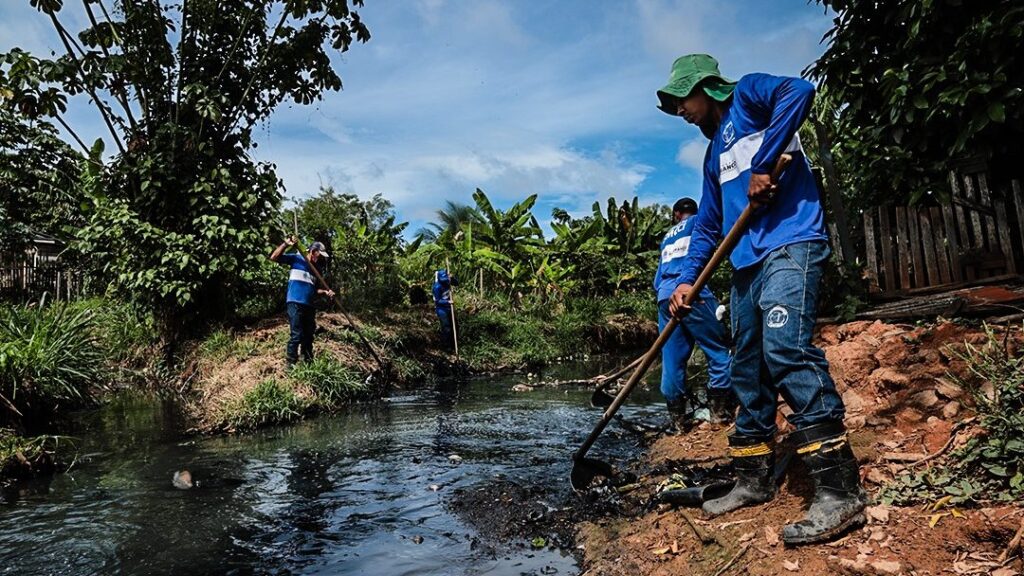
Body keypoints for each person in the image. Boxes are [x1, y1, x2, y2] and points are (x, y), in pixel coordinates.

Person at [656, 54, 865, 544]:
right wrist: (687, 280)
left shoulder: (749, 95)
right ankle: (753, 479)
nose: (681, 111)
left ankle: (840, 490)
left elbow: (800, 91)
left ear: (707, 88)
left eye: (683, 99)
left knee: (785, 347)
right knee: (746, 366)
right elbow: (709, 224)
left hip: (791, 243)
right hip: (746, 264)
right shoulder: (712, 156)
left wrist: (766, 162)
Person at [653, 197, 736, 430]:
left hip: (665, 296)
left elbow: (657, 279)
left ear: (676, 215)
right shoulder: (700, 221)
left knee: (671, 359)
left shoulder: (667, 236)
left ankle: (678, 422)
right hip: (692, 291)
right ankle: (719, 414)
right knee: (718, 350)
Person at [269, 237, 334, 366]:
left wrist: (325, 292)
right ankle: (290, 364)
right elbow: (274, 257)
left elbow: (315, 289)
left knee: (308, 336)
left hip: (309, 305)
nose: (320, 258)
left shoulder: (317, 269)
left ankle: (308, 363)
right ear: (313, 251)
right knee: (296, 335)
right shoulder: (297, 259)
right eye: (319, 255)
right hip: (295, 302)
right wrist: (285, 244)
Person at [432, 268, 458, 350]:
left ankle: (454, 345)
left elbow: (456, 283)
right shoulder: (437, 287)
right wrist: (448, 302)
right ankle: (446, 346)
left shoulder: (447, 281)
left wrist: (452, 278)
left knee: (455, 326)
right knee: (446, 328)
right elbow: (437, 301)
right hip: (441, 310)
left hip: (449, 308)